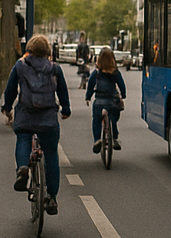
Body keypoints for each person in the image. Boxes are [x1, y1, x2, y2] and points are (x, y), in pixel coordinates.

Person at [2, 34, 71, 214]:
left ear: (29, 50)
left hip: (26, 114)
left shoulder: (20, 66)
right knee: (50, 153)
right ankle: (52, 198)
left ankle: (23, 169)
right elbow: (62, 91)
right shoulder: (55, 69)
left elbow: (11, 90)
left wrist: (7, 107)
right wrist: (65, 109)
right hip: (48, 118)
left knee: (23, 138)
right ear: (47, 51)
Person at [85, 46, 127, 152]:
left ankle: (97, 140)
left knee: (96, 120)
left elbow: (90, 85)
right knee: (113, 119)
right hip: (113, 101)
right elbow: (122, 85)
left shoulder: (96, 73)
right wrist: (123, 95)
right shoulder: (115, 72)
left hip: (99, 101)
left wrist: (88, 97)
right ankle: (115, 138)